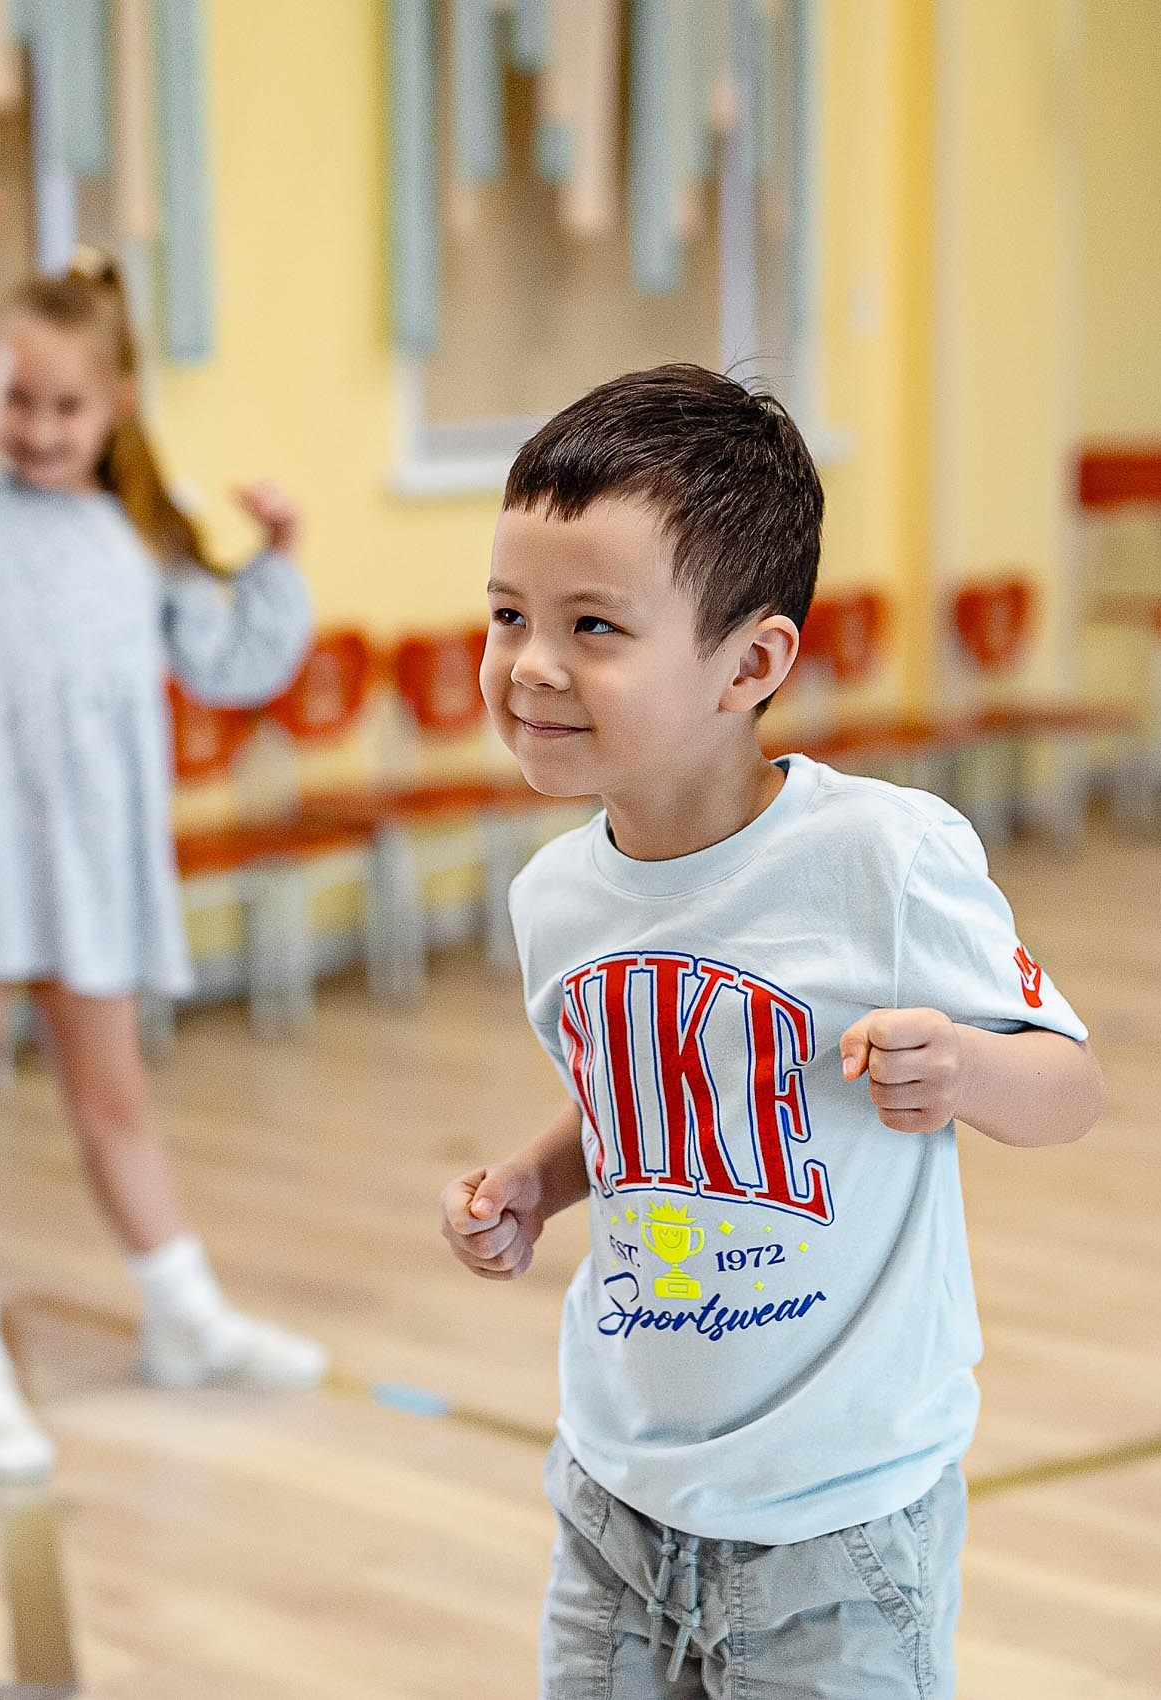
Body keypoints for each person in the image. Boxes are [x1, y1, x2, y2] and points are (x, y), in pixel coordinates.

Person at [436, 366, 1105, 1696]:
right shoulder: (555, 900)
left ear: (750, 664)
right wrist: (533, 1182)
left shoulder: (881, 860)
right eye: (508, 615)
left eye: (592, 625)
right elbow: (645, 1106)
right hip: (616, 1495)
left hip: (836, 1527)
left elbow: (1071, 1085)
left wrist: (966, 1069)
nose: (530, 664)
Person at [0, 182, 326, 1483]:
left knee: (114, 1097)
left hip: (93, 853)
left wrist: (276, 556)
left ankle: (185, 1317)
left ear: (116, 409)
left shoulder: (146, 537)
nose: (40, 429)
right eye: (19, 401)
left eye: (67, 406)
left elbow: (235, 662)